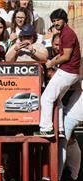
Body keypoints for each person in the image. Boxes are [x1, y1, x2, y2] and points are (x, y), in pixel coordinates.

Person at [35, 9, 81, 138]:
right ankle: (60, 129)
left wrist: (51, 63)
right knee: (57, 100)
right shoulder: (64, 33)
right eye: (54, 21)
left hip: (68, 71)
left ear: (64, 19)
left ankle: (46, 128)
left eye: (58, 20)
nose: (56, 23)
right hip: (71, 71)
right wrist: (53, 62)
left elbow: (65, 56)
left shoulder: (67, 34)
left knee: (46, 98)